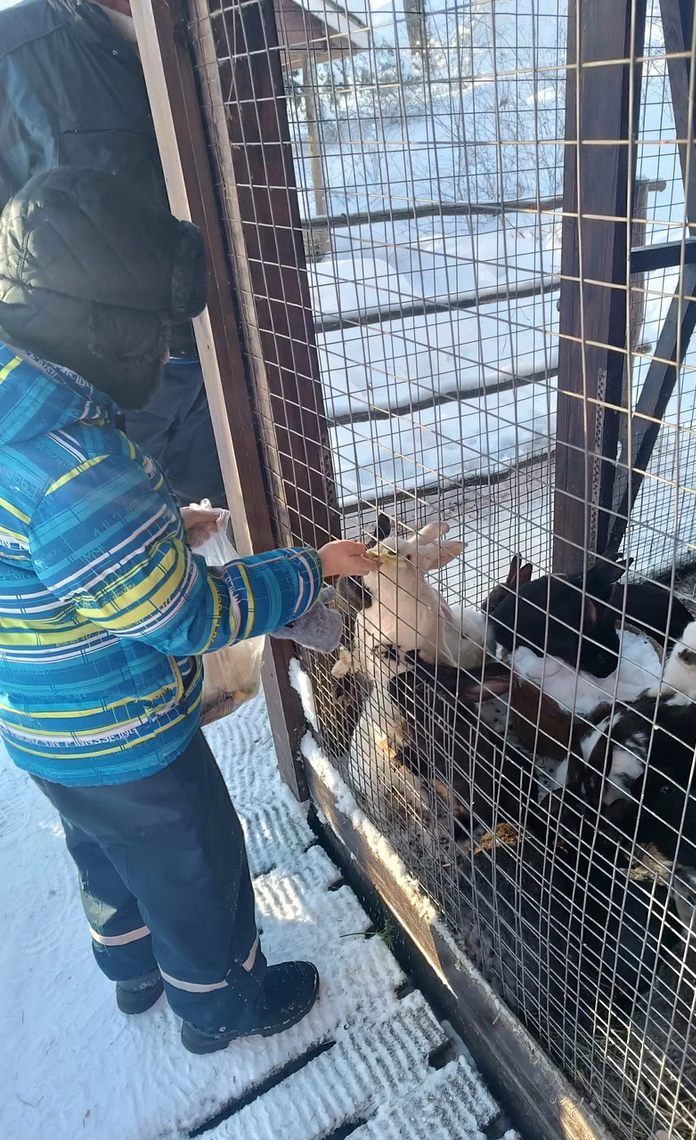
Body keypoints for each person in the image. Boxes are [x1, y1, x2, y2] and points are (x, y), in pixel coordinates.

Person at [0, 167, 374, 1053]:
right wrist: (309, 568)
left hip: (43, 725)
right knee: (193, 868)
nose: (167, 354)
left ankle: (131, 969)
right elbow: (186, 617)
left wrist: (158, 526)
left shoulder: (19, 416)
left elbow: (58, 555)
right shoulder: (79, 470)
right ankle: (220, 1005)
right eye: (152, 332)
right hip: (124, 732)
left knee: (104, 851)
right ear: (99, 326)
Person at [0, 0, 227, 509]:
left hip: (229, 340)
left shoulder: (215, 25)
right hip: (106, 364)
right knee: (130, 513)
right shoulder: (12, 51)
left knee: (227, 496)